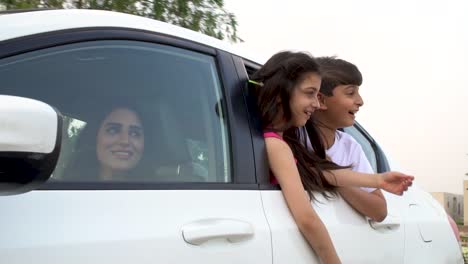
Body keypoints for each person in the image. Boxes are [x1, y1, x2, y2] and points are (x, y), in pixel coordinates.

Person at [250, 51, 413, 264]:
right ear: (282, 92)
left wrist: (377, 180)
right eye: (310, 93)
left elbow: (318, 173)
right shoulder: (280, 144)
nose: (315, 104)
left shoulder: (285, 141)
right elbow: (307, 218)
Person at [305, 56, 387, 222]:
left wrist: (335, 179)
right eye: (351, 93)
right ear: (320, 100)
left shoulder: (350, 146)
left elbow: (380, 210)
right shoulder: (296, 137)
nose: (360, 101)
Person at [65, 105, 151, 181]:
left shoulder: (159, 193)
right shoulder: (64, 193)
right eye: (113, 130)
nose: (125, 141)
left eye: (134, 133)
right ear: (94, 138)